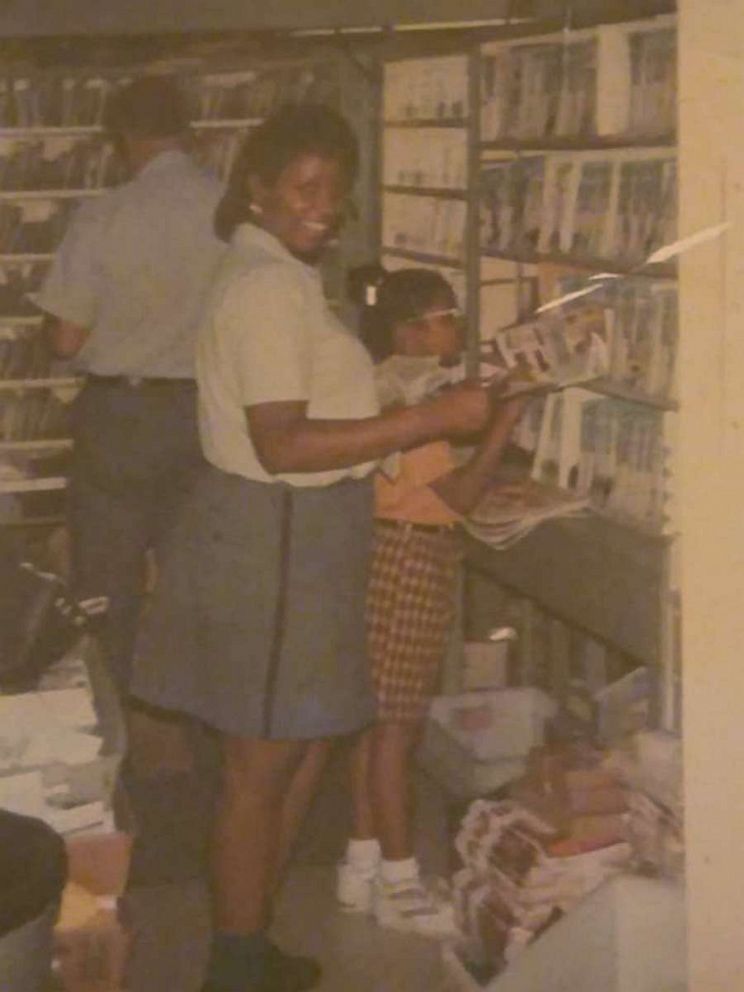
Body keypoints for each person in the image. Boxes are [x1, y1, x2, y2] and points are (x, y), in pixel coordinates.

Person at [130, 104, 495, 992]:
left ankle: (249, 944)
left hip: (305, 542)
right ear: (258, 188)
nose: (324, 205)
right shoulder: (263, 287)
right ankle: (233, 964)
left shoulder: (282, 278)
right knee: (260, 768)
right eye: (305, 186)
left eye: (336, 189)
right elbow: (282, 443)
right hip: (276, 543)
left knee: (299, 751)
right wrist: (432, 417)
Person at [35, 75, 227, 885]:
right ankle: (204, 766)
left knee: (109, 593)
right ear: (189, 132)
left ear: (120, 141)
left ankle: (127, 773)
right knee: (199, 592)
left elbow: (65, 337)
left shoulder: (106, 214)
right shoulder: (232, 207)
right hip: (211, 419)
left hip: (122, 419)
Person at [337, 266, 526, 937]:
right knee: (398, 732)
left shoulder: (400, 384)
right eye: (447, 316)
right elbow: (460, 498)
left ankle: (360, 866)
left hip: (391, 549)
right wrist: (507, 420)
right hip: (410, 558)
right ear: (409, 329)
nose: (457, 327)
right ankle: (400, 880)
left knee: (375, 722)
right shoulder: (412, 402)